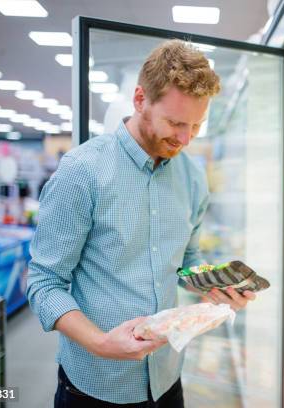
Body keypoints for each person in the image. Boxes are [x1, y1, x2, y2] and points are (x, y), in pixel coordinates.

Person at [26, 39, 256, 408]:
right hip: (94, 386)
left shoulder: (192, 178)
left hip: (167, 379)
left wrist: (214, 285)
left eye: (196, 126)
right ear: (139, 100)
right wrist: (101, 342)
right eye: (176, 122)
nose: (184, 138)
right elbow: (43, 283)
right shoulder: (82, 172)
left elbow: (186, 260)